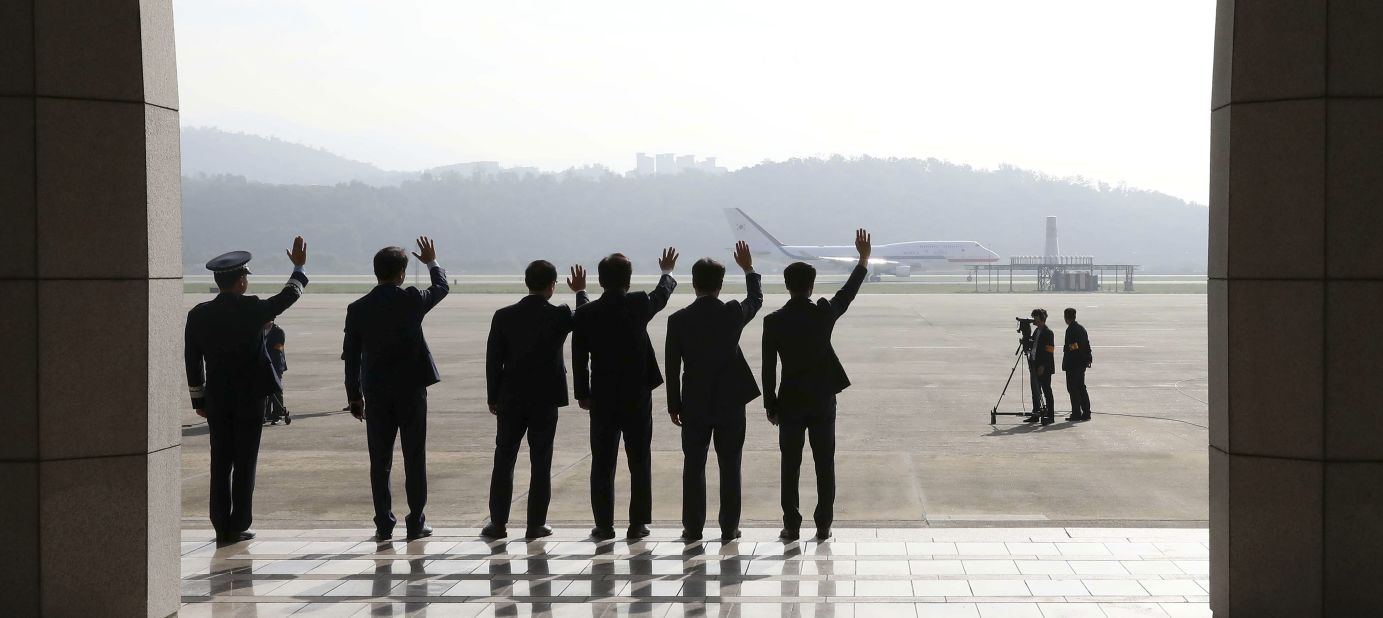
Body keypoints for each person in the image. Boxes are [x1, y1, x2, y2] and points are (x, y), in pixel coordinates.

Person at [184, 238, 309, 544]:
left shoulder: (198, 314)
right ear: (241, 282)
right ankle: (238, 523)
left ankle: (220, 525)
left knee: (220, 462)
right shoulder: (252, 308)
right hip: (250, 399)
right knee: (244, 462)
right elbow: (288, 296)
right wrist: (299, 267)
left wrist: (198, 398)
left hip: (216, 398)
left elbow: (192, 359)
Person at [762, 229, 870, 542]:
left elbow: (769, 367)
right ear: (811, 287)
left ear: (787, 286)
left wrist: (770, 404)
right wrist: (863, 258)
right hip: (822, 399)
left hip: (790, 401)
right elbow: (847, 293)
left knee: (790, 465)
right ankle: (823, 524)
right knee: (824, 462)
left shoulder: (774, 321)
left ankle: (791, 525)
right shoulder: (823, 313)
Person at [343, 237, 449, 541]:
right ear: (402, 274)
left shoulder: (358, 308)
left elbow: (351, 356)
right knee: (415, 457)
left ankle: (383, 524)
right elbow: (441, 288)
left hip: (376, 393)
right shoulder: (412, 299)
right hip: (411, 390)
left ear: (376, 272)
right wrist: (431, 261)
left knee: (380, 461)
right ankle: (416, 522)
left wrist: (354, 395)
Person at [572, 247, 679, 540]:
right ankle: (638, 523)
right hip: (636, 395)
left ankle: (604, 525)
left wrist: (582, 392)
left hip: (602, 396)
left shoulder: (587, 313)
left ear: (601, 280)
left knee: (602, 462)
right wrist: (667, 271)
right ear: (628, 280)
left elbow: (579, 356)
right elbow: (662, 294)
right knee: (639, 459)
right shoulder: (637, 304)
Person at [481, 261, 590, 540]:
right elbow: (587, 316)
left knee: (504, 460)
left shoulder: (503, 316)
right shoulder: (559, 315)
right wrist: (580, 291)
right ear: (552, 285)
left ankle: (498, 524)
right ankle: (535, 524)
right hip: (545, 400)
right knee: (541, 461)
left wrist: (493, 396)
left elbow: (493, 361)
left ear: (527, 282)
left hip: (510, 398)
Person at [665, 241, 763, 542]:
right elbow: (755, 299)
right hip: (730, 401)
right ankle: (729, 527)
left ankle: (692, 528)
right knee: (730, 465)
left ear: (693, 284)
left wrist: (674, 404)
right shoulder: (732, 313)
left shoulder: (678, 319)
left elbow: (671, 366)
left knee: (693, 466)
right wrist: (748, 268)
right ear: (721, 285)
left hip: (694, 401)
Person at [1025, 308, 1056, 425]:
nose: (1034, 319)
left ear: (1041, 318)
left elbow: (1049, 351)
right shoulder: (1036, 331)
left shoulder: (1048, 333)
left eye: (1035, 317)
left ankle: (1050, 415)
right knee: (1035, 390)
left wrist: (1042, 366)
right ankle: (1036, 413)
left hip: (1044, 367)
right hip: (1034, 364)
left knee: (1046, 390)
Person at [1063, 307, 1093, 422]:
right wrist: (1089, 358)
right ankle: (1086, 412)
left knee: (1073, 388)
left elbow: (1075, 346)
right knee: (1081, 387)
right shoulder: (1081, 328)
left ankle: (1076, 413)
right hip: (1081, 363)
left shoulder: (1071, 329)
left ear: (1066, 317)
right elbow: (1086, 344)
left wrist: (1067, 348)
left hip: (1074, 364)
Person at [263, 322, 291, 424]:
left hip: (276, 364)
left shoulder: (279, 332)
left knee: (276, 389)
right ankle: (266, 413)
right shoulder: (261, 330)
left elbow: (278, 349)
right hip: (264, 364)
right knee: (264, 390)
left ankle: (278, 413)